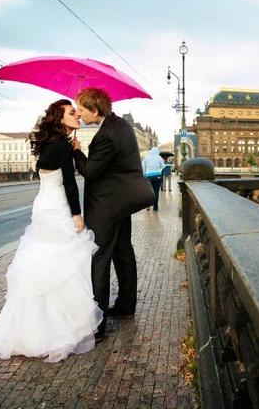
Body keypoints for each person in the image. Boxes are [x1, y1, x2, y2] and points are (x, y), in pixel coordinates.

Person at [0, 99, 103, 362]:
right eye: (72, 113)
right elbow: (69, 183)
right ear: (59, 118)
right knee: (61, 264)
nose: (78, 116)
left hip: (43, 206)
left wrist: (74, 150)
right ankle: (57, 329)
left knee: (43, 263)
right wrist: (77, 215)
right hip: (57, 208)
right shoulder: (62, 146)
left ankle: (33, 329)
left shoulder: (51, 143)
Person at [71, 88, 154, 338]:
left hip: (106, 206)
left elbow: (90, 171)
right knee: (123, 252)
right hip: (121, 203)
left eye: (82, 109)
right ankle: (126, 305)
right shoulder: (121, 126)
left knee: (100, 258)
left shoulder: (105, 135)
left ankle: (97, 325)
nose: (79, 114)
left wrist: (76, 151)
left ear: (94, 110)